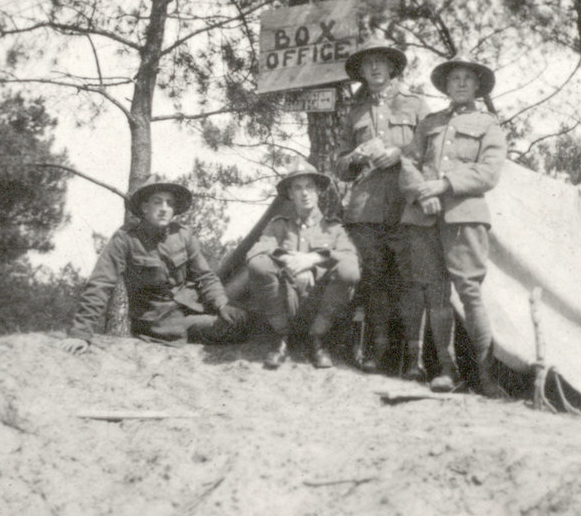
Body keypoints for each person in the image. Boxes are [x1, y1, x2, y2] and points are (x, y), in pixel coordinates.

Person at [399, 54, 506, 395]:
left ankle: (486, 376)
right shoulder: (429, 122)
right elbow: (408, 163)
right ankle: (447, 370)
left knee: (469, 292)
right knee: (434, 293)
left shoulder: (488, 124)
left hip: (464, 217)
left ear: (477, 86)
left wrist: (443, 186)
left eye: (467, 78)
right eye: (454, 78)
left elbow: (489, 172)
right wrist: (421, 193)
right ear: (446, 86)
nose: (460, 83)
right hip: (423, 217)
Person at [61, 176, 248, 354]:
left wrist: (222, 304)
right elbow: (100, 283)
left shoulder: (182, 235)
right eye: (157, 202)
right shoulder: (125, 239)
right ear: (144, 207)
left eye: (169, 203)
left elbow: (206, 276)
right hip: (159, 322)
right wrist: (80, 333)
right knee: (232, 328)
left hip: (191, 307)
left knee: (246, 318)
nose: (164, 209)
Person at [336, 37, 429, 376]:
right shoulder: (355, 112)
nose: (374, 67)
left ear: (392, 67)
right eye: (367, 62)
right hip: (367, 209)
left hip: (406, 206)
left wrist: (400, 154)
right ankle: (378, 352)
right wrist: (355, 157)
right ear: (361, 71)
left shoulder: (415, 104)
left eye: (380, 61)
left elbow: (432, 149)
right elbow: (339, 165)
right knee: (374, 281)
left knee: (411, 280)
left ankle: (415, 359)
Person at [246, 158, 360, 369]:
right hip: (287, 301)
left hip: (320, 304)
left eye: (309, 187)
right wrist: (289, 260)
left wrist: (314, 259)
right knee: (259, 264)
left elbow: (351, 259)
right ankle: (281, 339)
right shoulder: (279, 225)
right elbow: (256, 251)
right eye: (298, 188)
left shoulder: (334, 228)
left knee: (349, 270)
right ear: (290, 194)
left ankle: (317, 340)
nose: (304, 193)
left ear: (318, 191)